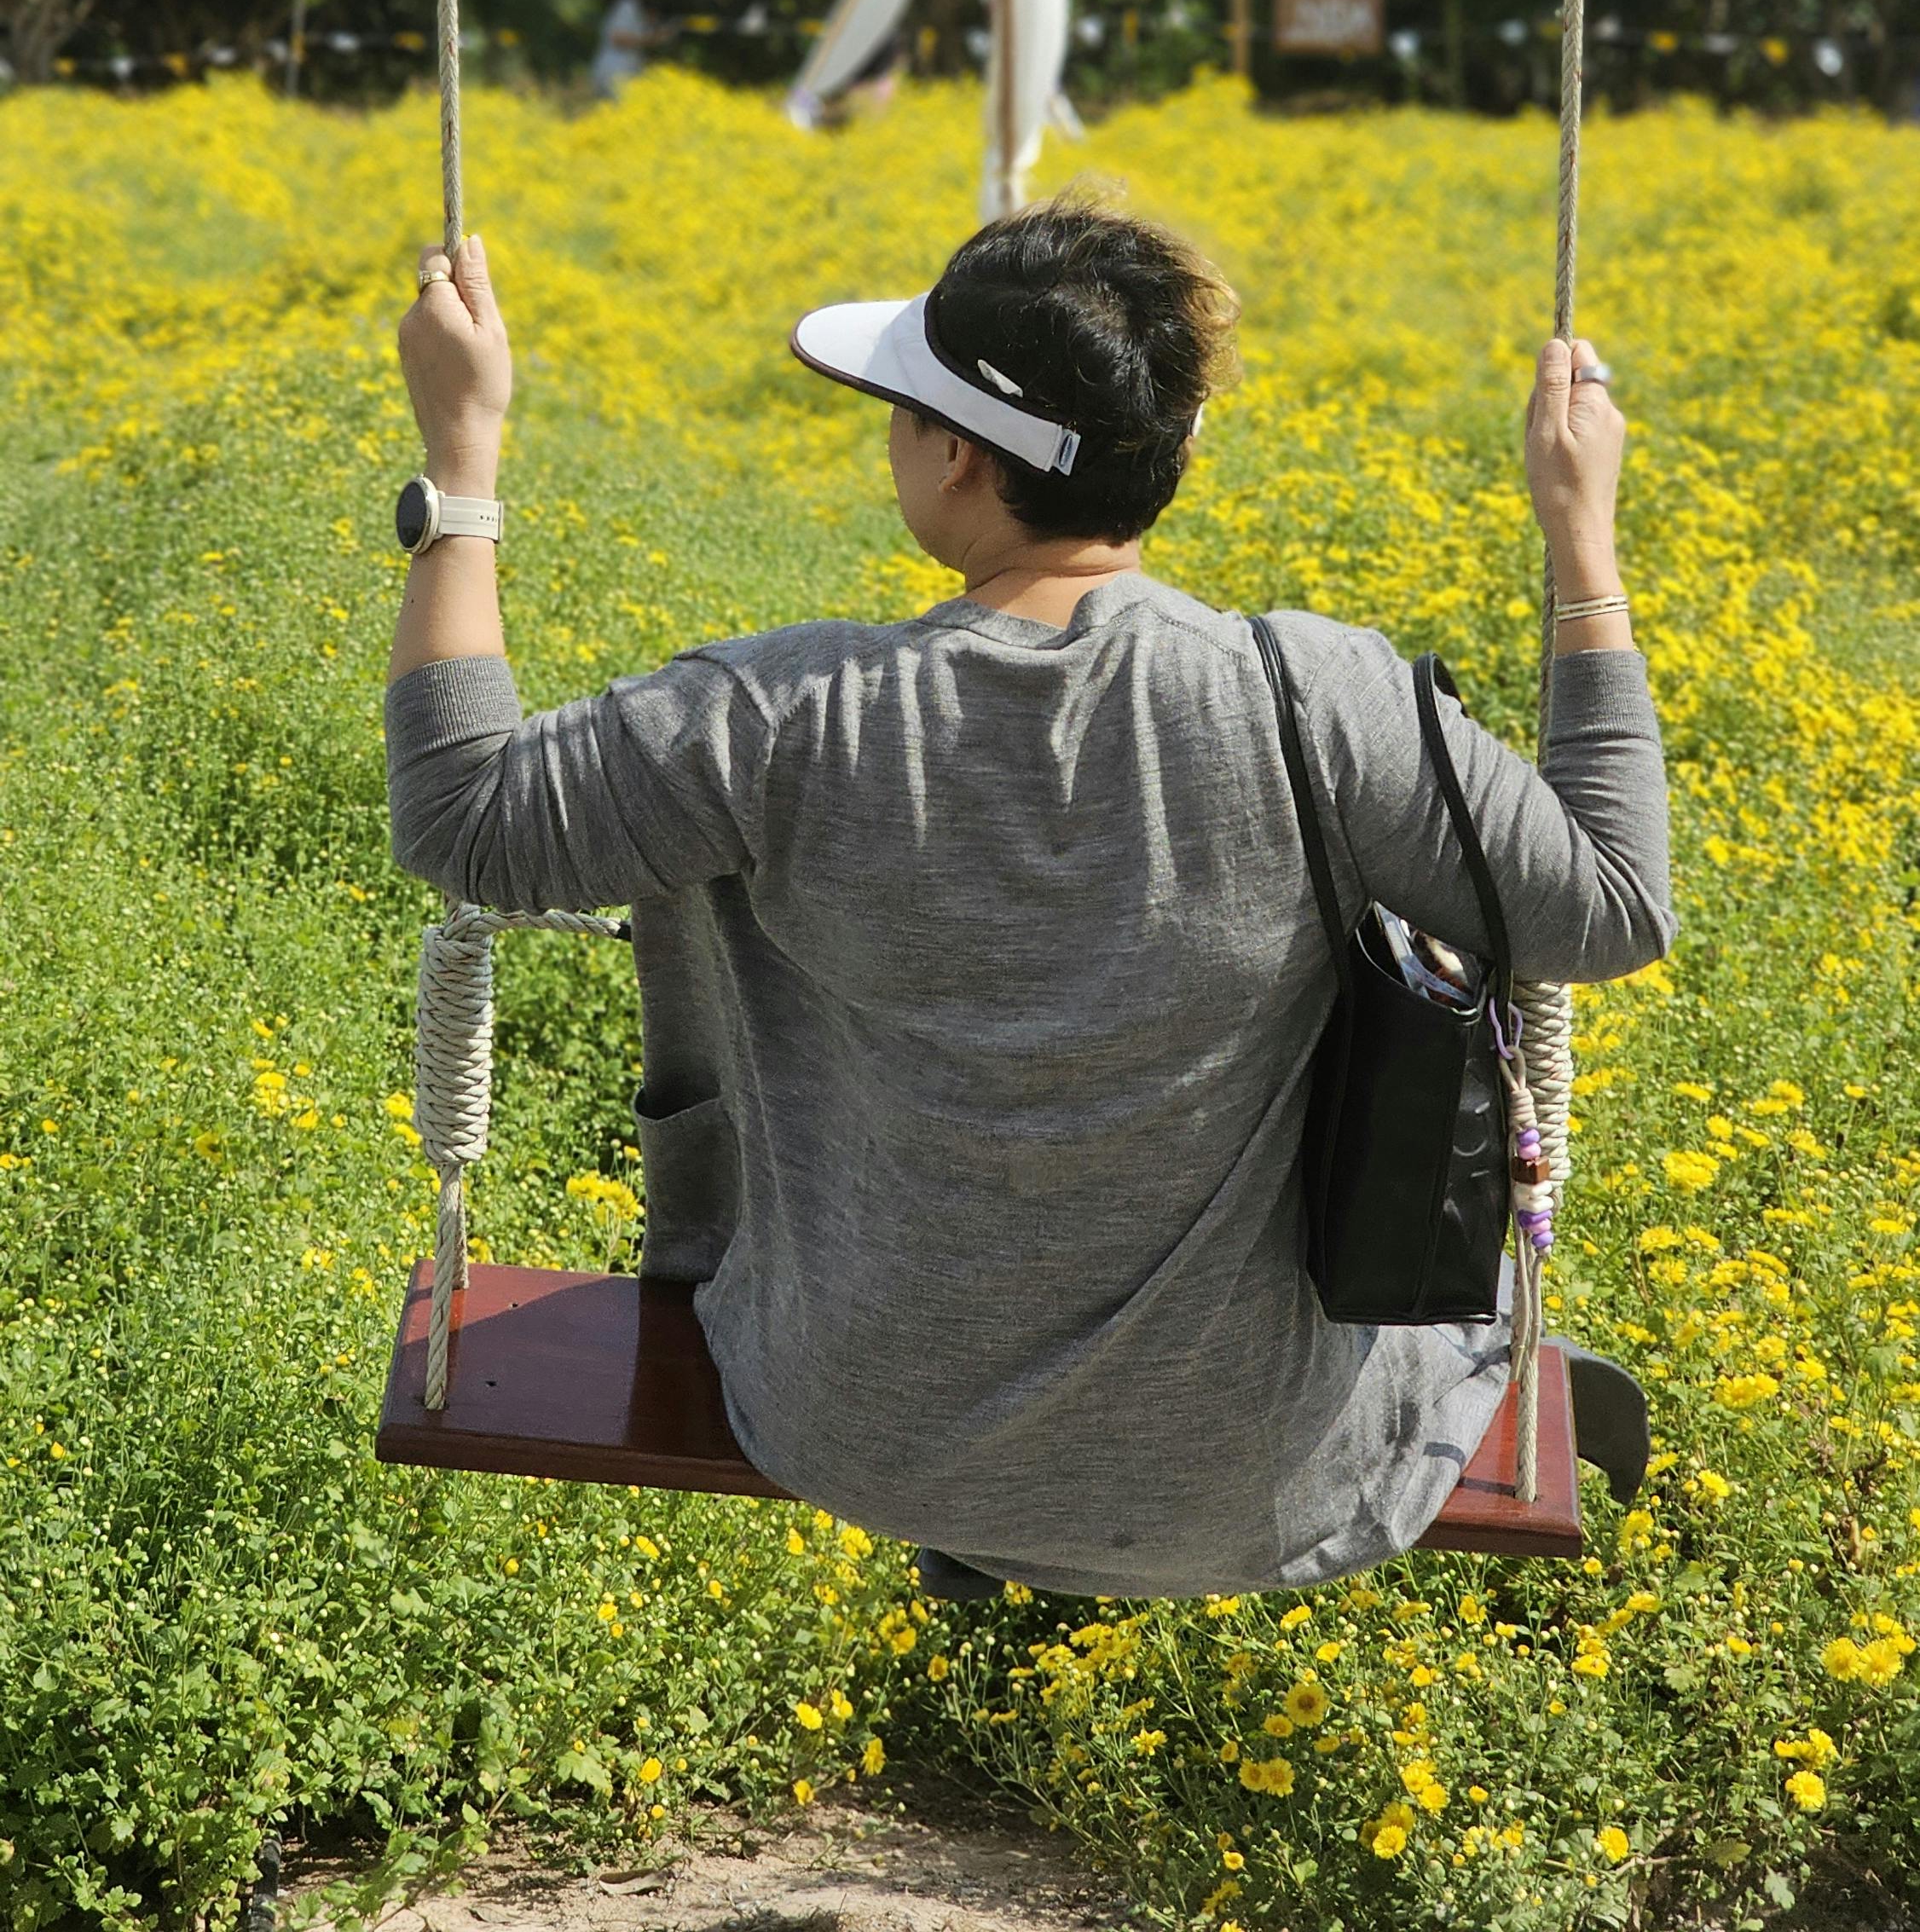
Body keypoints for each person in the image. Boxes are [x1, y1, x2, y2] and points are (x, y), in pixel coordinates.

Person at [385, 198, 1670, 1595]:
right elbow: (1613, 905)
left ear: (954, 460)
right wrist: (1582, 541)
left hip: (857, 1431)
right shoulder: (1322, 703)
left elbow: (466, 818)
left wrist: (462, 462)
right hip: (1252, 1472)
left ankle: (995, 1524)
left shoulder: (782, 712)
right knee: (1462, 1343)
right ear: (1177, 450)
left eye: (898, 411)